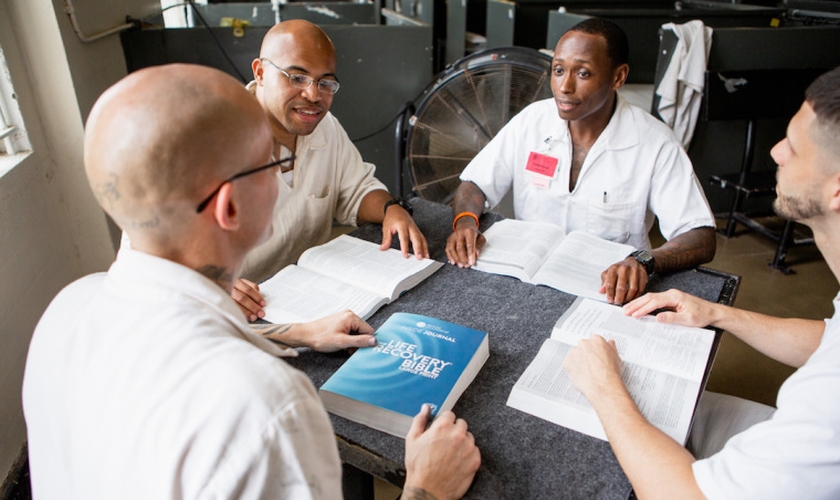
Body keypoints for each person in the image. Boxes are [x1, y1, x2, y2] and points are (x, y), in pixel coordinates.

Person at [22, 64, 480, 499]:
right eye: (272, 164)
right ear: (230, 207)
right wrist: (427, 487)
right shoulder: (267, 406)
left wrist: (297, 333)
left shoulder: (65, 310)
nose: (286, 173)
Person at [563, 66, 840, 499]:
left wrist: (603, 386)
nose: (775, 152)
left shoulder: (827, 405)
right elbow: (832, 339)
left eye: (796, 149)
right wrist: (717, 313)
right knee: (672, 410)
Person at [445, 18, 716, 304]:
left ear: (618, 77)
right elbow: (474, 184)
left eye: (583, 73)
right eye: (558, 70)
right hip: (527, 281)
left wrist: (644, 260)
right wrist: (466, 223)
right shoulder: (531, 121)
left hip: (606, 292)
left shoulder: (655, 143)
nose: (564, 86)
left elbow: (699, 234)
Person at [234, 19, 429, 322]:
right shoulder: (211, 141)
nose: (313, 95)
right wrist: (210, 285)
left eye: (325, 83)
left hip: (311, 299)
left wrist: (392, 209)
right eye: (297, 77)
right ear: (260, 72)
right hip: (243, 313)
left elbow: (357, 189)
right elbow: (149, 259)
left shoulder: (325, 128)